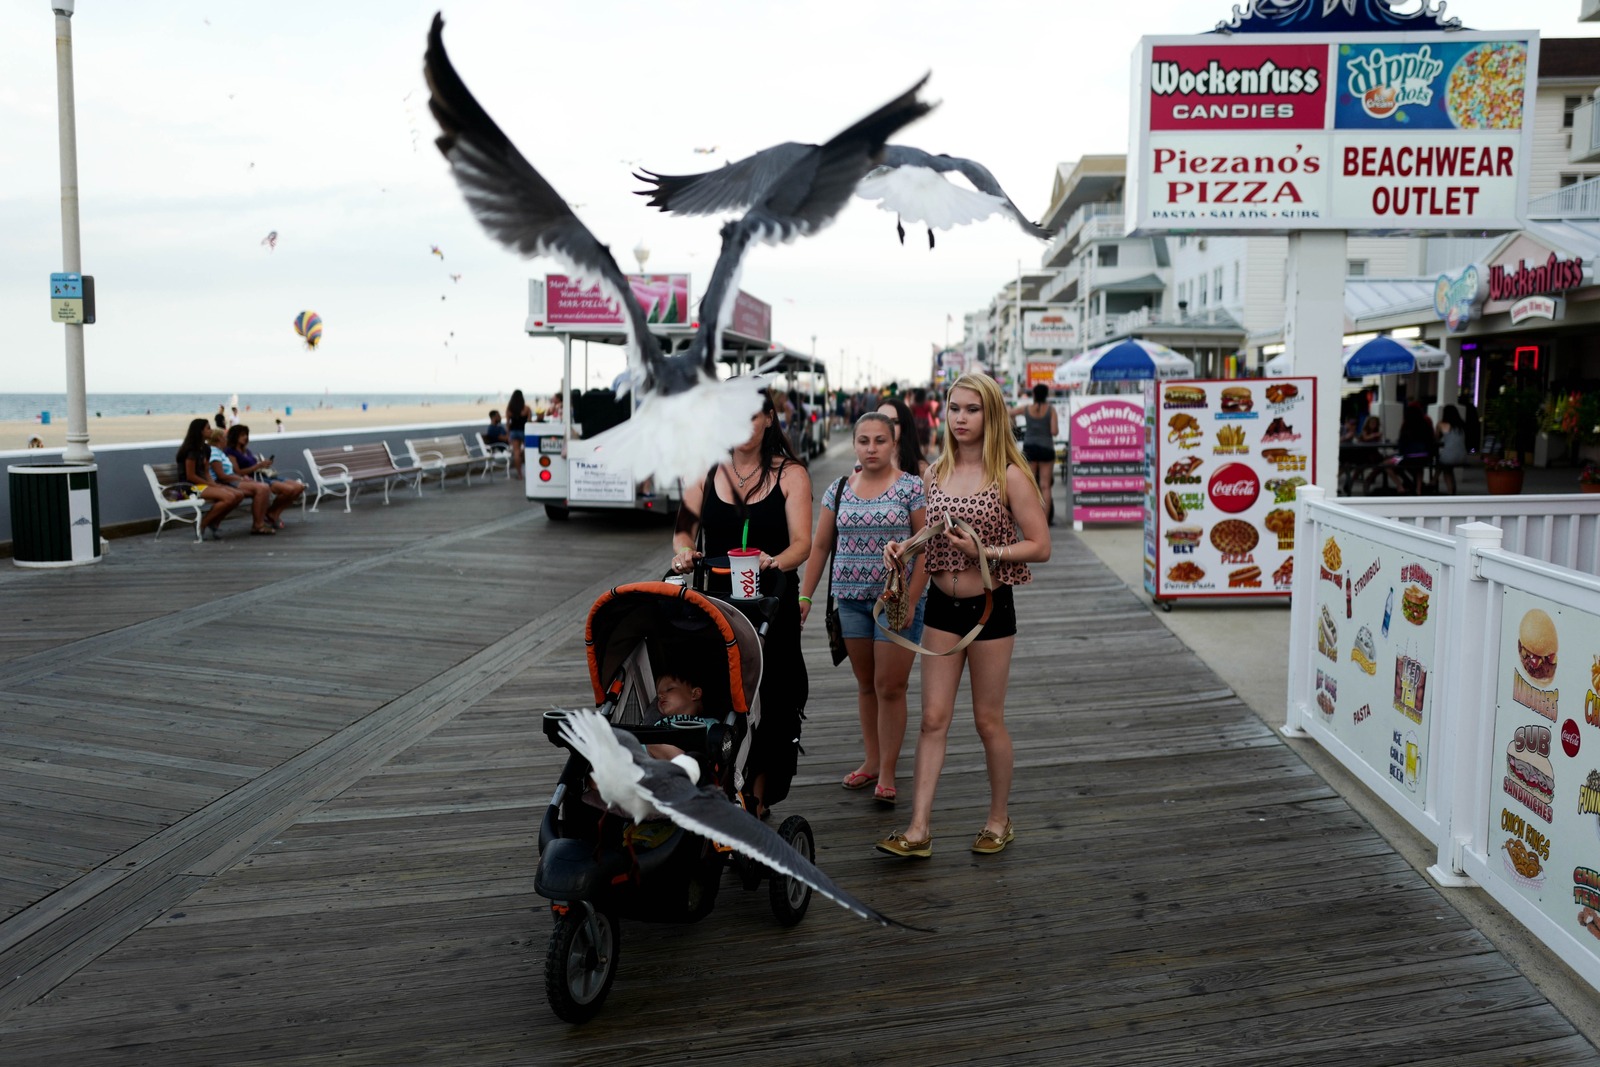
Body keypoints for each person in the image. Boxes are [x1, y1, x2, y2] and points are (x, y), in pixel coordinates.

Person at [876, 372, 1050, 859]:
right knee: (933, 719)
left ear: (991, 413)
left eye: (972, 409)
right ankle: (918, 829)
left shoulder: (1009, 474)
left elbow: (1041, 546)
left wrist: (985, 552)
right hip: (940, 606)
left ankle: (999, 819)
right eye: (954, 408)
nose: (961, 418)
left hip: (990, 608)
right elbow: (929, 537)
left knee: (987, 721)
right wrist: (903, 550)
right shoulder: (935, 473)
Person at [670, 389, 812, 819]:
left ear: (769, 418)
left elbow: (803, 543)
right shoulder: (706, 469)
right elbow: (684, 530)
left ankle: (758, 796)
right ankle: (716, 785)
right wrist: (682, 552)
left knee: (777, 698)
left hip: (773, 603)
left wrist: (775, 560)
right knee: (717, 695)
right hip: (718, 603)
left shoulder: (791, 475)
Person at [800, 412, 928, 806]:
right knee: (866, 684)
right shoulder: (838, 489)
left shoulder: (911, 488)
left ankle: (888, 770)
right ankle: (871, 760)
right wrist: (804, 597)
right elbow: (820, 546)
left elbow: (927, 548)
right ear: (854, 444)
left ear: (893, 444)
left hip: (894, 603)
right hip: (851, 600)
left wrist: (913, 597)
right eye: (864, 441)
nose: (871, 448)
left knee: (891, 687)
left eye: (880, 441)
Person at [176, 418, 243, 540]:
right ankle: (202, 525)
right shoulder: (192, 450)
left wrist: (214, 484)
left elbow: (206, 472)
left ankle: (214, 522)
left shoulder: (205, 449)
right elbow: (190, 476)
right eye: (208, 428)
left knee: (238, 495)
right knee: (228, 497)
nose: (211, 430)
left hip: (202, 484)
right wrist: (212, 485)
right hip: (188, 488)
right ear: (199, 431)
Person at [224, 425, 305, 525]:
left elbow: (255, 466)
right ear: (235, 436)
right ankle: (271, 515)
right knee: (289, 490)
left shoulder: (246, 451)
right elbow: (238, 472)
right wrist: (258, 466)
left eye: (246, 435)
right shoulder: (231, 452)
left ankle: (273, 513)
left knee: (299, 487)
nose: (245, 437)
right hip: (253, 478)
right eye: (242, 435)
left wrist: (263, 465)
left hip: (263, 475)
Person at [206, 427, 278, 534]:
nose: (227, 440)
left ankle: (259, 523)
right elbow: (222, 476)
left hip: (231, 479)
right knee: (261, 488)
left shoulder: (221, 453)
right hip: (224, 482)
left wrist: (243, 478)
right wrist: (241, 477)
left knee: (263, 488)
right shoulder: (215, 452)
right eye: (225, 438)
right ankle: (258, 525)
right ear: (219, 439)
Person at [1009, 384, 1060, 525]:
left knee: (1030, 485)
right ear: (1046, 395)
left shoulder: (1026, 409)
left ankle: (1028, 519)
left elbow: (1009, 413)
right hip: (1046, 449)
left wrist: (1014, 425)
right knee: (1045, 486)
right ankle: (1044, 520)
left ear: (1034, 395)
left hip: (1030, 448)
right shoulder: (1051, 410)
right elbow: (1054, 431)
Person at [877, 396, 928, 477]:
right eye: (880, 420)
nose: (886, 426)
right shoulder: (864, 465)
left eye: (894, 421)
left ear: (904, 425)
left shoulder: (920, 469)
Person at [1435, 404, 1468, 494]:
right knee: (1446, 464)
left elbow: (1436, 439)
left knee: (1444, 465)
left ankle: (1449, 491)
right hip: (1462, 456)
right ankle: (1435, 480)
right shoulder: (1461, 424)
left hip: (1449, 457)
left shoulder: (1441, 424)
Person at [505, 389, 531, 478]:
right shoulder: (526, 408)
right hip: (524, 431)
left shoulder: (509, 409)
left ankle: (519, 474)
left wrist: (508, 434)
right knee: (528, 451)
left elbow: (508, 423)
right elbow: (529, 422)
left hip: (514, 432)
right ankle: (529, 472)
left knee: (516, 452)